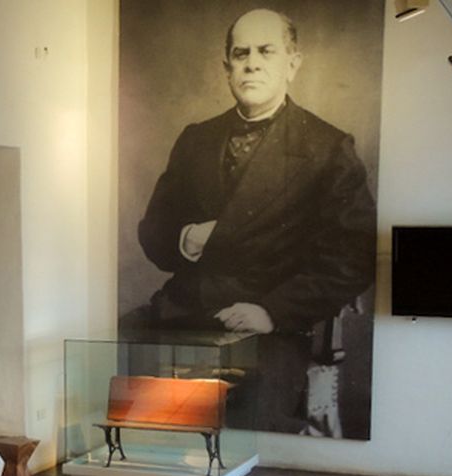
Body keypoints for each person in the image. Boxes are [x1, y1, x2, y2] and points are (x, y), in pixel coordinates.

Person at [123, 8, 376, 433]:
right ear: (227, 68)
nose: (252, 63)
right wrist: (186, 238)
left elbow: (352, 258)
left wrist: (272, 311)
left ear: (292, 64)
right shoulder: (196, 139)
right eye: (241, 54)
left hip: (270, 328)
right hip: (184, 313)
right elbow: (152, 231)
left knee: (248, 430)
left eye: (266, 51)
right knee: (125, 399)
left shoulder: (328, 148)